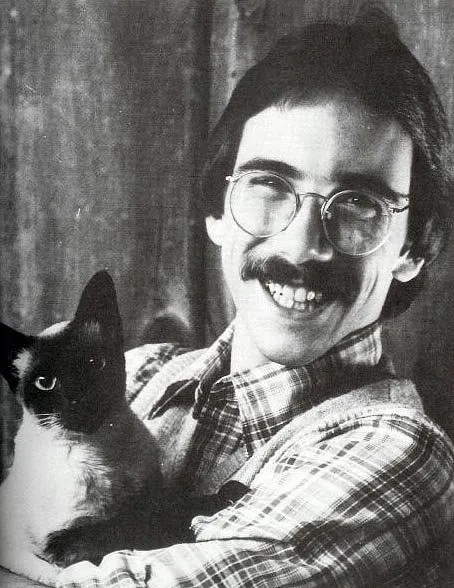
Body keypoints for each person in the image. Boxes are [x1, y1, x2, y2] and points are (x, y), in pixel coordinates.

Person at [56, 8, 454, 588]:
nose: (302, 246)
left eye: (358, 204)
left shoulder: (397, 449)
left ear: (412, 248)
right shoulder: (139, 376)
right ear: (217, 212)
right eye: (269, 185)